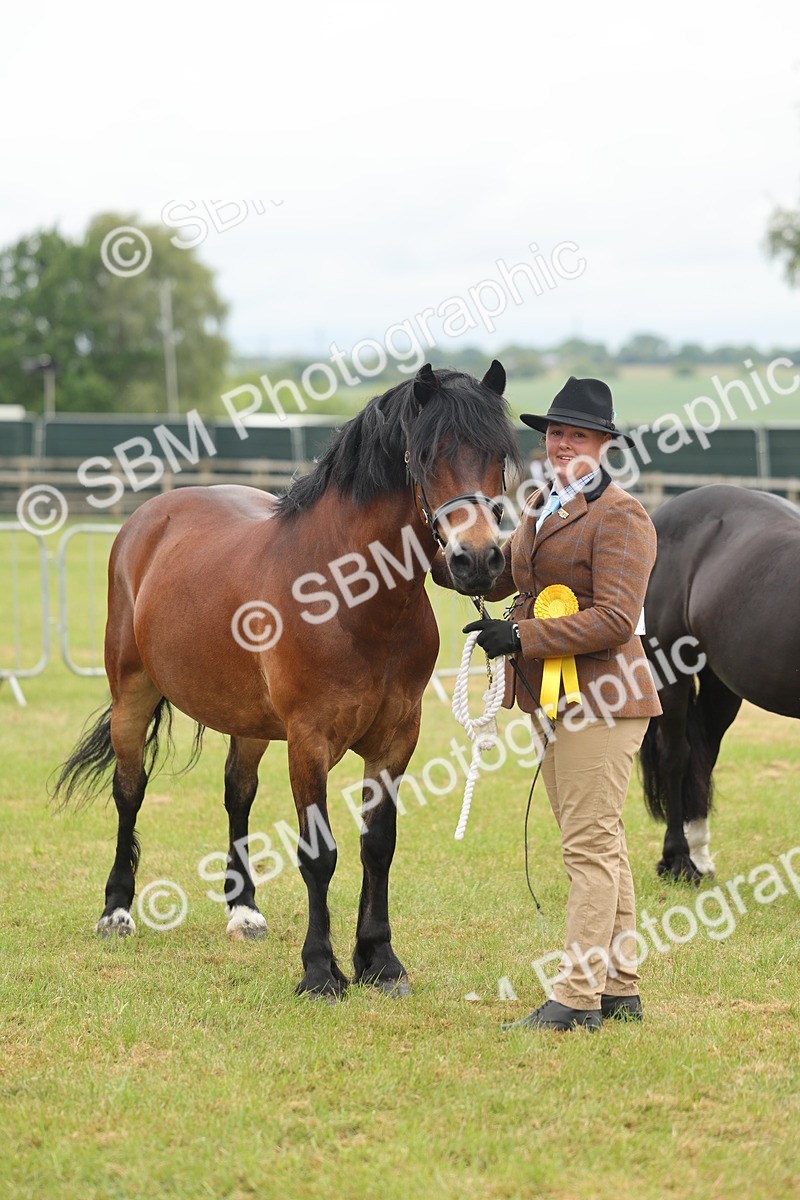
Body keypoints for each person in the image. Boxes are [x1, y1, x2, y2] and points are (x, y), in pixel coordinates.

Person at [432, 376, 662, 1031]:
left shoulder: (622, 516)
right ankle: (619, 988)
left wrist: (522, 635)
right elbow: (516, 573)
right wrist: (457, 558)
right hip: (554, 698)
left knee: (587, 851)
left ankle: (575, 998)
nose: (562, 444)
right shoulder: (541, 503)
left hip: (605, 699)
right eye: (556, 433)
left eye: (577, 436)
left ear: (603, 445)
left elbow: (616, 618)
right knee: (602, 843)